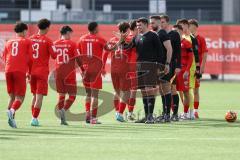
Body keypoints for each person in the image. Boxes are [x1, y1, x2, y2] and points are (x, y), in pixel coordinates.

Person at [123, 17, 164, 124]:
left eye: (140, 25)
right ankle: (147, 116)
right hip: (139, 67)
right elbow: (126, 47)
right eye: (137, 26)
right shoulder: (137, 37)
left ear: (146, 25)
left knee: (149, 90)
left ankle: (150, 116)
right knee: (143, 91)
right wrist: (122, 40)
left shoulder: (153, 36)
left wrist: (160, 67)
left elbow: (160, 52)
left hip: (150, 66)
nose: (138, 27)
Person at [78, 21, 119, 124]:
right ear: (96, 29)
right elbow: (110, 49)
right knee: (95, 95)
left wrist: (81, 70)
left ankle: (87, 114)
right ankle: (93, 118)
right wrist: (120, 41)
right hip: (96, 69)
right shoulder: (100, 39)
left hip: (85, 69)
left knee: (88, 94)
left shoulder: (81, 39)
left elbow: (78, 56)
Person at [1, 22, 32, 128]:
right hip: (19, 71)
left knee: (12, 97)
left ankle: (11, 120)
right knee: (20, 97)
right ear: (24, 31)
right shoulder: (27, 41)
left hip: (8, 70)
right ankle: (12, 111)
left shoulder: (8, 42)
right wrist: (29, 72)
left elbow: (4, 58)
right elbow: (30, 59)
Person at [29, 18, 57, 126]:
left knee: (34, 95)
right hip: (42, 72)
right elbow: (54, 56)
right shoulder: (48, 40)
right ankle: (34, 118)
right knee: (39, 96)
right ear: (47, 27)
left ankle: (33, 117)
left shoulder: (30, 39)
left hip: (31, 71)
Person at [54, 26, 80, 125]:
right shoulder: (72, 44)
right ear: (67, 32)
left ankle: (61, 115)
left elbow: (52, 56)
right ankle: (64, 110)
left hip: (58, 72)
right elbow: (78, 58)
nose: (71, 35)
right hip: (69, 73)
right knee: (72, 96)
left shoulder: (55, 43)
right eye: (70, 33)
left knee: (61, 95)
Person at [149, 15, 173, 123]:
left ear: (159, 23)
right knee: (162, 90)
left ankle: (167, 115)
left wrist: (167, 64)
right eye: (150, 23)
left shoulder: (162, 33)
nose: (151, 24)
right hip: (157, 66)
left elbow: (169, 49)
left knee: (166, 89)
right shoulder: (155, 34)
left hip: (163, 66)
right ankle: (165, 114)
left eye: (153, 23)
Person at [176, 19, 201, 120]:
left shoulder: (191, 38)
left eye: (182, 26)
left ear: (187, 26)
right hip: (181, 68)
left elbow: (196, 54)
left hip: (190, 68)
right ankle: (187, 112)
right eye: (179, 26)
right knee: (182, 91)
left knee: (189, 90)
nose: (181, 28)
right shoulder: (181, 38)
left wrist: (198, 69)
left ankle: (190, 113)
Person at [159, 14, 181, 121]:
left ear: (167, 22)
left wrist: (178, 65)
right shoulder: (158, 34)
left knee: (172, 89)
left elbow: (178, 51)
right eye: (160, 22)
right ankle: (165, 112)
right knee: (162, 89)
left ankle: (175, 114)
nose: (161, 24)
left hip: (171, 65)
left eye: (163, 22)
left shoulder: (174, 34)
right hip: (161, 66)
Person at [189, 19, 208, 119]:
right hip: (187, 68)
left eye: (190, 26)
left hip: (196, 68)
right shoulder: (185, 39)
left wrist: (202, 68)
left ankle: (195, 111)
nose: (189, 28)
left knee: (196, 90)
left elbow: (204, 54)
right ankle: (187, 110)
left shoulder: (201, 39)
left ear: (195, 27)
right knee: (185, 90)